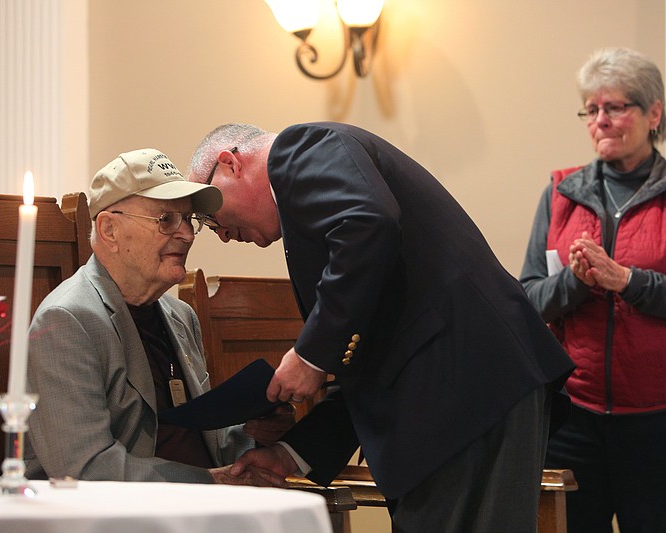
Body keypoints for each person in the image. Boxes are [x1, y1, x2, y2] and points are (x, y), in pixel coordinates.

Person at [185, 122, 575, 532]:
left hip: (466, 391)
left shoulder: (304, 148)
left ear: (230, 163)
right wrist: (291, 454)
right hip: (457, 399)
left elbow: (371, 221)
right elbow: (368, 365)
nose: (223, 235)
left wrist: (311, 353)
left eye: (210, 216)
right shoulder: (321, 217)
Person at [519, 48, 666, 533]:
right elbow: (528, 299)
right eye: (591, 109)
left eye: (614, 107)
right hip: (574, 418)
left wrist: (627, 281)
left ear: (653, 113)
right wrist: (577, 282)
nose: (601, 121)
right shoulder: (559, 193)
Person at [24, 148, 292, 485]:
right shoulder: (67, 320)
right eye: (166, 220)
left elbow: (200, 442)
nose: (188, 234)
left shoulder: (180, 316)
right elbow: (86, 468)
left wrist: (258, 435)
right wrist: (212, 483)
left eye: (188, 219)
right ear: (109, 230)